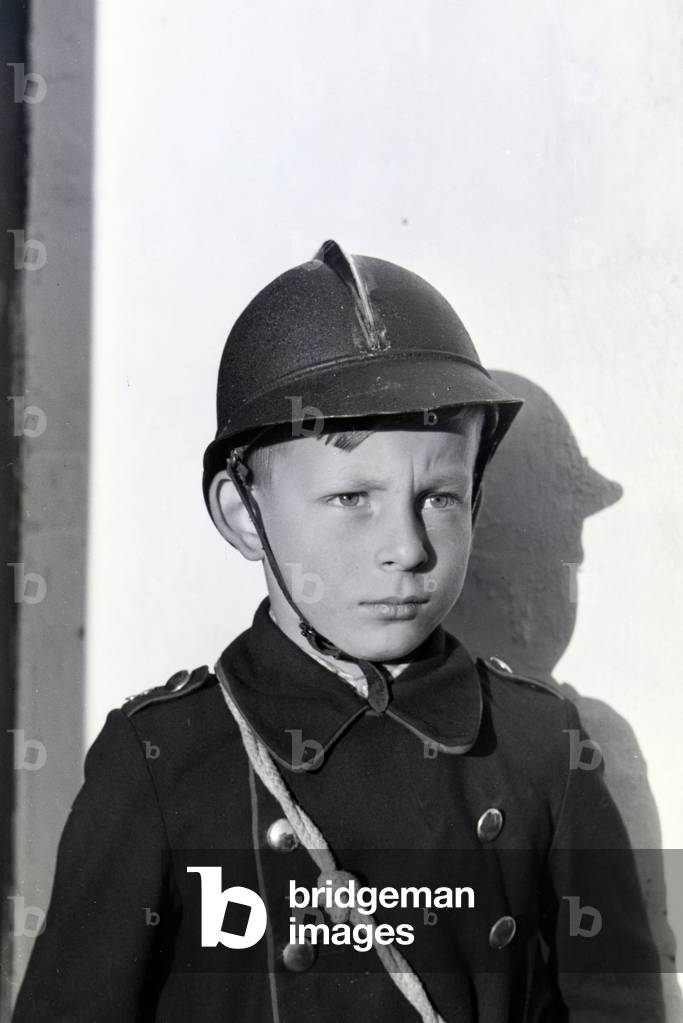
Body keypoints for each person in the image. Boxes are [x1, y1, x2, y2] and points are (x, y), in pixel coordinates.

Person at [13, 241, 664, 1022]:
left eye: (440, 496)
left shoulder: (538, 745)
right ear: (240, 513)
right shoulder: (165, 760)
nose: (407, 546)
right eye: (352, 497)